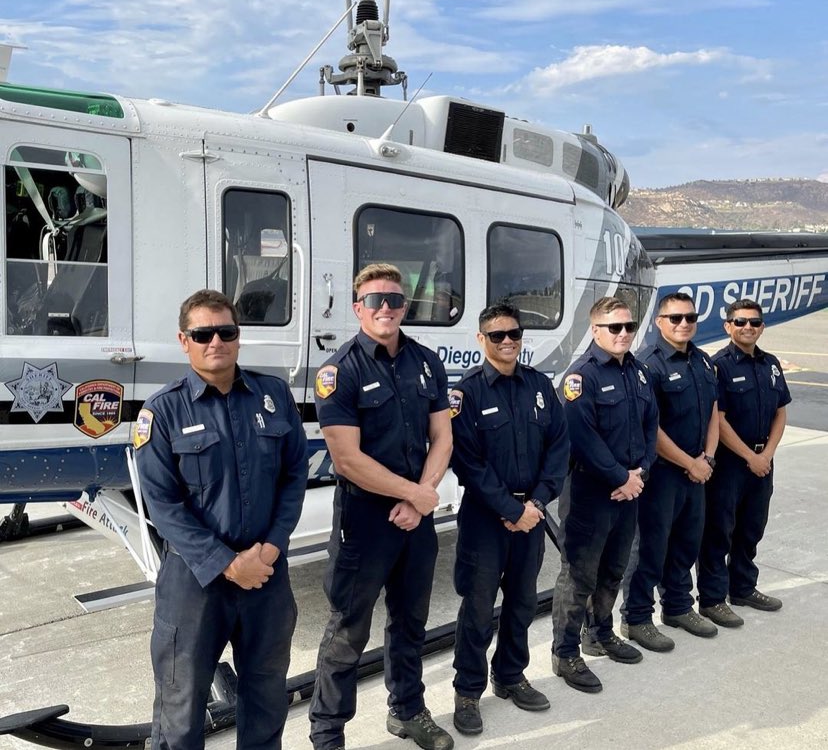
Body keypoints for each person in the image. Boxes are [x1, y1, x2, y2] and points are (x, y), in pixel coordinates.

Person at [135, 289, 308, 750]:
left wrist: (270, 548)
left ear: (238, 337)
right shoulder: (163, 411)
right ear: (184, 340)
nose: (216, 341)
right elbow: (162, 505)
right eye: (203, 333)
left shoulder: (273, 395)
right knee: (181, 704)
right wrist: (228, 563)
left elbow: (295, 476)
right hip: (195, 582)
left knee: (267, 693)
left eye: (225, 331)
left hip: (266, 575)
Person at [309, 263, 454, 750]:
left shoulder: (427, 363)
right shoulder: (338, 371)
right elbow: (347, 459)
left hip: (416, 516)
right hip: (365, 520)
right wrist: (413, 494)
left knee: (411, 621)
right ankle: (327, 734)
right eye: (375, 301)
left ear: (404, 308)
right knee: (348, 629)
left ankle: (408, 711)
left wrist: (421, 498)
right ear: (358, 309)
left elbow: (443, 438)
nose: (386, 308)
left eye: (394, 300)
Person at [449, 302, 569, 735]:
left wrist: (535, 504)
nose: (507, 342)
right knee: (478, 610)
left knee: (521, 604)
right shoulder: (466, 395)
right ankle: (467, 691)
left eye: (514, 334)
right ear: (481, 340)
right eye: (496, 335)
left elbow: (559, 448)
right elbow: (468, 464)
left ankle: (510, 676)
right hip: (487, 520)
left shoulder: (539, 386)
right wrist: (511, 509)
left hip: (531, 518)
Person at [551, 296, 658, 693]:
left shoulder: (639, 373)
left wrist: (641, 473)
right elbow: (581, 438)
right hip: (590, 495)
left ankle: (599, 633)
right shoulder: (581, 377)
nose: (623, 334)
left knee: (613, 569)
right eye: (614, 327)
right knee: (578, 575)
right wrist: (620, 477)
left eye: (628, 327)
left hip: (629, 492)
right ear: (595, 330)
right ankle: (565, 653)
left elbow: (651, 426)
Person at [621, 292, 719, 652]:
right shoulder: (648, 363)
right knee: (650, 547)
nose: (684, 324)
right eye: (675, 318)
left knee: (686, 543)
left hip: (697, 472)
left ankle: (678, 606)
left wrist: (707, 458)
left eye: (689, 317)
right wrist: (690, 462)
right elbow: (651, 427)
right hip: (663, 474)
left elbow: (713, 412)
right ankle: (637, 617)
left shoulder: (704, 362)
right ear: (660, 322)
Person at [697, 299, 790, 624]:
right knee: (719, 530)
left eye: (754, 322)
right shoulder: (718, 365)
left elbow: (781, 410)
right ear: (728, 326)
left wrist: (766, 455)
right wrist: (751, 456)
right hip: (731, 464)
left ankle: (743, 587)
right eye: (740, 322)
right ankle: (711, 598)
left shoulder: (772, 364)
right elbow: (717, 419)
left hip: (763, 461)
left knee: (752, 527)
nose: (747, 327)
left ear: (762, 326)